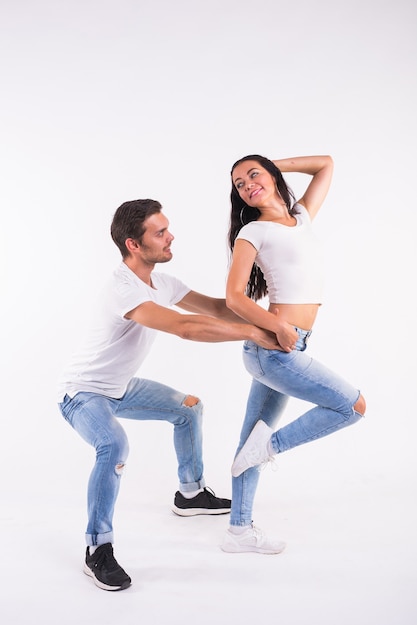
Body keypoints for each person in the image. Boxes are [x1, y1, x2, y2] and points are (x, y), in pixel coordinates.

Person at [58, 198, 278, 591]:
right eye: (160, 233)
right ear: (134, 245)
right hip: (83, 393)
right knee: (113, 445)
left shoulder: (162, 281)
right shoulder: (122, 288)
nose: (170, 236)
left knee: (189, 409)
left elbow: (216, 309)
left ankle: (190, 493)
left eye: (167, 227)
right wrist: (253, 332)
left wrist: (268, 315)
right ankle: (98, 549)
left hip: (120, 388)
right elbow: (184, 327)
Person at [220, 154, 366, 554]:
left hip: (287, 346)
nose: (247, 185)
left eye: (253, 175)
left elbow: (326, 165)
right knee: (352, 407)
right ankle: (272, 447)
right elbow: (234, 297)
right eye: (239, 184)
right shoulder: (253, 230)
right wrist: (281, 327)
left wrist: (271, 163)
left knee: (251, 437)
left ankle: (238, 533)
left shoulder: (300, 218)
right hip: (275, 347)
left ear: (272, 175)